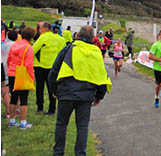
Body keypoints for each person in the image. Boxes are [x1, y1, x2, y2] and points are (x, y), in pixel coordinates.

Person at [49, 25, 111, 156]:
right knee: (82, 126)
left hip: (66, 92)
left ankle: (58, 152)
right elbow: (102, 76)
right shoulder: (96, 53)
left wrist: (54, 90)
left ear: (77, 35)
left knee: (61, 124)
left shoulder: (68, 49)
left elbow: (54, 70)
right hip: (86, 95)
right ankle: (80, 153)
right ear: (93, 38)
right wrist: (99, 96)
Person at [33, 22, 66, 114]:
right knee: (52, 88)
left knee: (40, 87)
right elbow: (63, 53)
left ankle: (40, 106)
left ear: (45, 28)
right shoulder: (61, 39)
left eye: (40, 28)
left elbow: (33, 50)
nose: (39, 30)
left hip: (41, 66)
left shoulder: (43, 37)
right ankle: (52, 109)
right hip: (54, 67)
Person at [7, 27, 36, 129]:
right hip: (22, 73)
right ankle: (23, 122)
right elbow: (29, 65)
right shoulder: (29, 48)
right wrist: (32, 78)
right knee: (24, 99)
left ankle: (12, 120)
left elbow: (9, 59)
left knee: (13, 97)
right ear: (31, 37)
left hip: (12, 72)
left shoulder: (14, 45)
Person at [1, 31, 18, 118]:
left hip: (4, 67)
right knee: (15, 90)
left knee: (5, 90)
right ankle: (15, 110)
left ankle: (8, 111)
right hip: (14, 69)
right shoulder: (18, 45)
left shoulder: (3, 45)